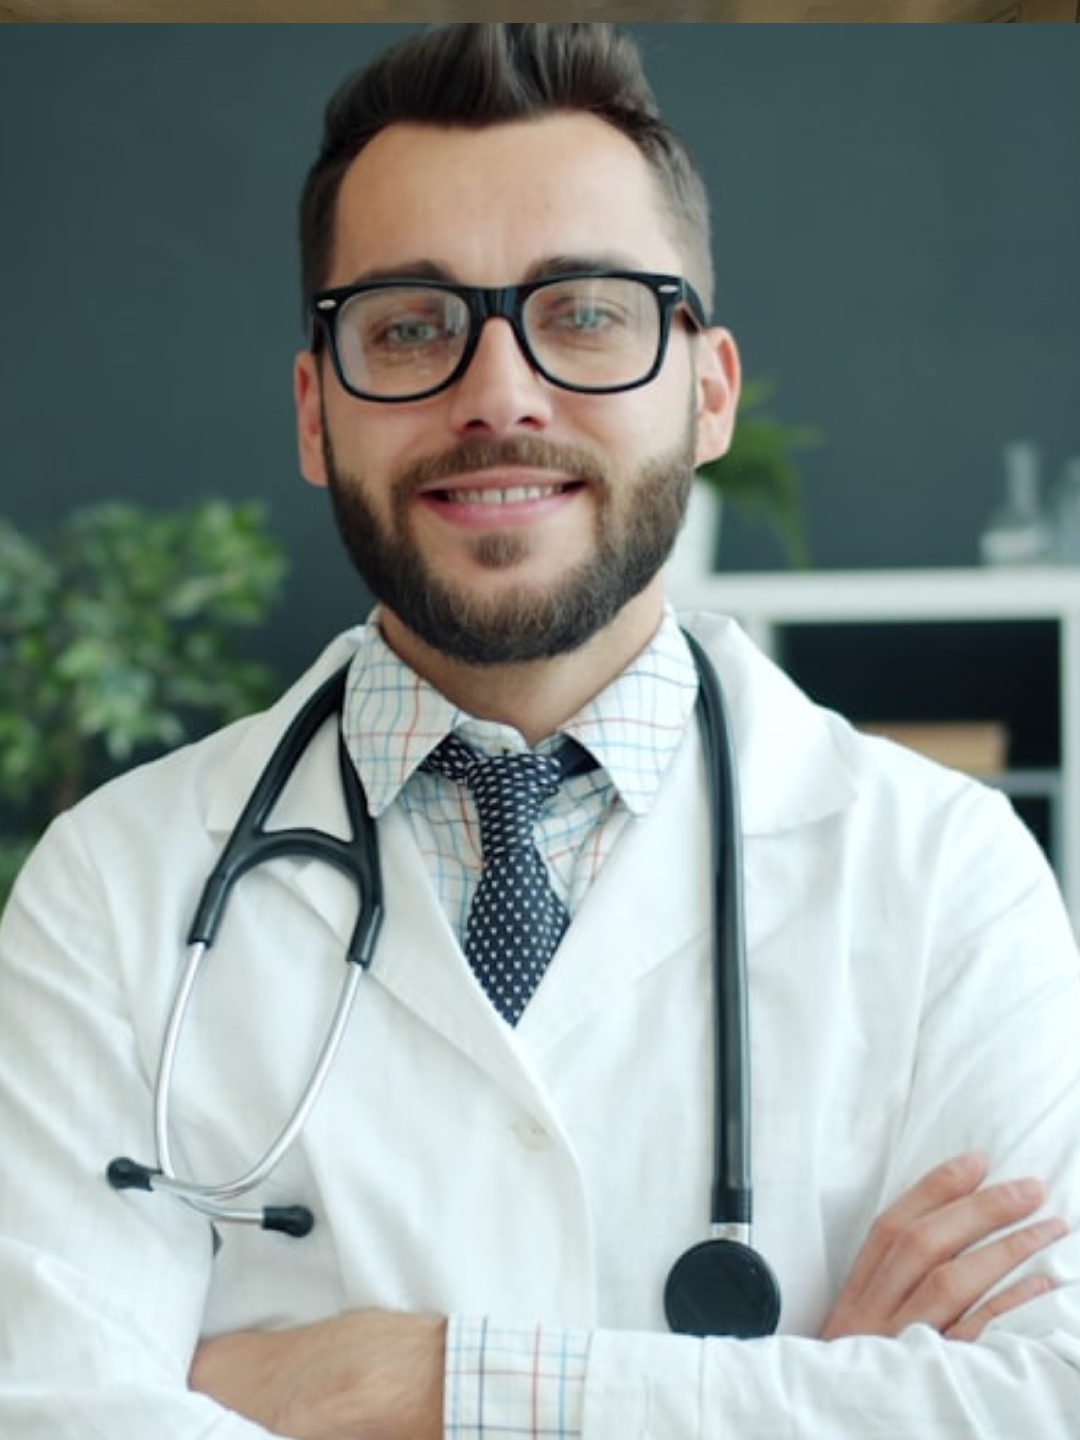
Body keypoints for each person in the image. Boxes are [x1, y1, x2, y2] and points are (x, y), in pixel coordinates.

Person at [1, 22, 1078, 1440]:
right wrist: (802, 1395)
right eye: (408, 326)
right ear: (317, 413)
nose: (498, 393)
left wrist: (416, 1381)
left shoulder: (946, 875)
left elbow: (1044, 1403)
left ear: (708, 391)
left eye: (584, 312)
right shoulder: (112, 893)